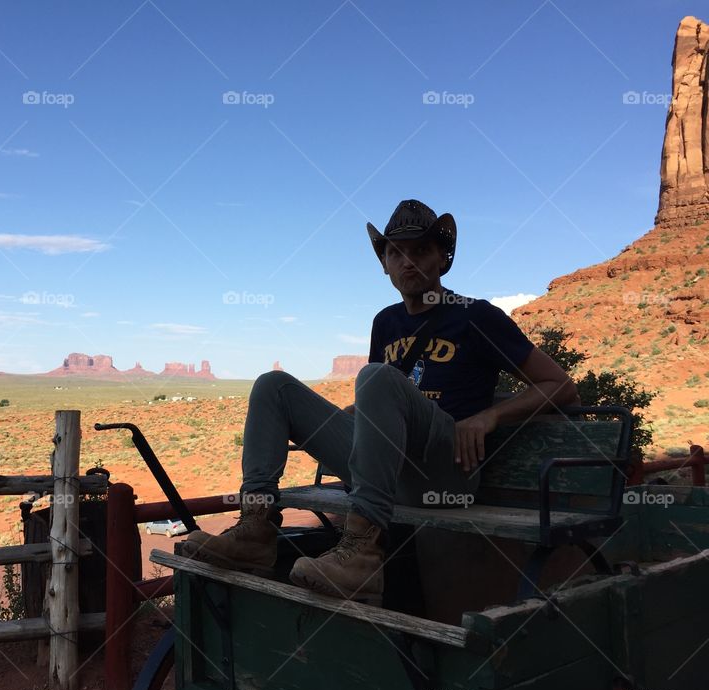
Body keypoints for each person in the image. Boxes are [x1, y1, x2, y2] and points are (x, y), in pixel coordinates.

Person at [184, 199, 580, 603]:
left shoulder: (476, 316)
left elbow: (561, 385)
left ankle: (362, 555)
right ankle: (255, 530)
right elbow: (385, 398)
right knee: (273, 385)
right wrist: (335, 424)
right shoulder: (385, 322)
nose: (408, 262)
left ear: (443, 259)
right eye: (396, 252)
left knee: (375, 376)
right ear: (385, 264)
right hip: (390, 472)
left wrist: (489, 417)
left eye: (421, 250)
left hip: (445, 471)